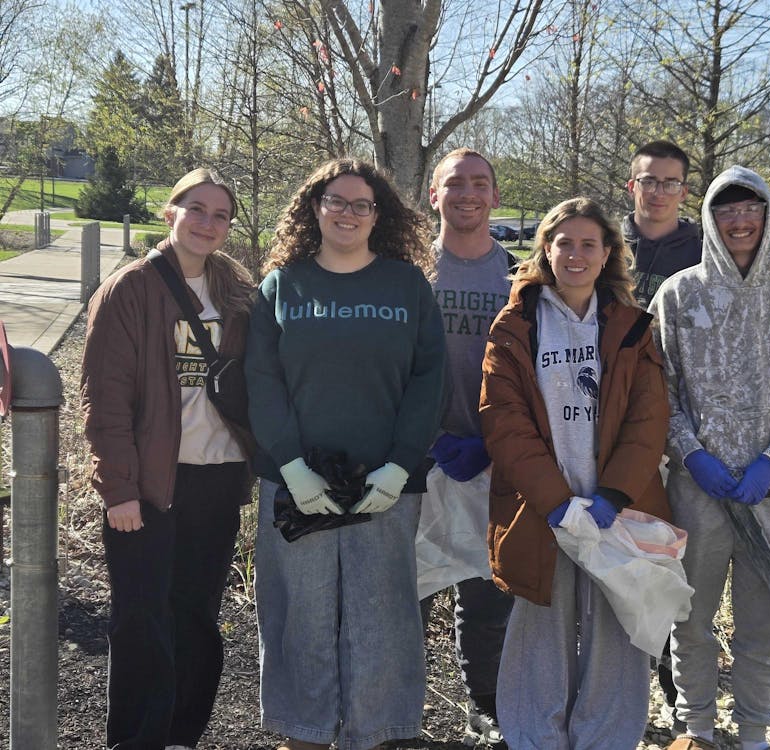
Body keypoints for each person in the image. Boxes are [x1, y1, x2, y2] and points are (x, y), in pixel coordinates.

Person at [245, 158, 446, 750]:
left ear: (378, 215)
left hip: (384, 485)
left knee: (381, 615)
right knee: (298, 613)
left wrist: (402, 463)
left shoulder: (406, 286)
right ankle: (302, 732)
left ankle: (379, 731)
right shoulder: (283, 285)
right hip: (296, 484)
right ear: (315, 207)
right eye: (337, 200)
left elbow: (429, 379)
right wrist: (290, 465)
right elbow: (262, 380)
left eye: (362, 204)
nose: (348, 213)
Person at [649, 166, 770, 750]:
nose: (739, 220)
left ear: (767, 215)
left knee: (764, 627)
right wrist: (690, 453)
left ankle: (755, 732)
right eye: (726, 210)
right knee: (692, 622)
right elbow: (658, 392)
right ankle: (700, 729)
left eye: (750, 208)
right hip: (699, 493)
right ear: (710, 218)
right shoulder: (680, 294)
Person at [480, 197, 671, 749]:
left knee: (617, 630)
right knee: (540, 625)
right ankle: (534, 737)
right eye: (564, 242)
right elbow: (503, 418)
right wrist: (554, 500)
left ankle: (605, 739)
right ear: (546, 247)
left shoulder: (633, 327)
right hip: (543, 509)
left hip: (620, 507)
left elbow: (649, 416)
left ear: (608, 253)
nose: (576, 254)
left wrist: (612, 493)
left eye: (589, 243)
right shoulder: (516, 323)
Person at [81, 168, 256, 750]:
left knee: (197, 616)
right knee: (141, 619)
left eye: (221, 215)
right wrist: (119, 489)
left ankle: (182, 734)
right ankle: (136, 740)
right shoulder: (131, 289)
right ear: (169, 213)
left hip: (218, 478)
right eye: (197, 209)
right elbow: (104, 397)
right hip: (151, 484)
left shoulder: (236, 294)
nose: (208, 223)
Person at [421, 147, 515, 746]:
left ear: (495, 197)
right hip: (414, 454)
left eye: (480, 184)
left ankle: (484, 701)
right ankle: (398, 699)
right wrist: (423, 436)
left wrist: (496, 438)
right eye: (455, 184)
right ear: (435, 196)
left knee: (485, 590)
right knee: (410, 585)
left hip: (492, 456)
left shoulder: (519, 275)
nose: (468, 194)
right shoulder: (407, 269)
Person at [624, 140, 701, 308]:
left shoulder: (703, 258)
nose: (659, 193)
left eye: (671, 184)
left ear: (683, 192)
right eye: (648, 182)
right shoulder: (603, 247)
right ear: (631, 188)